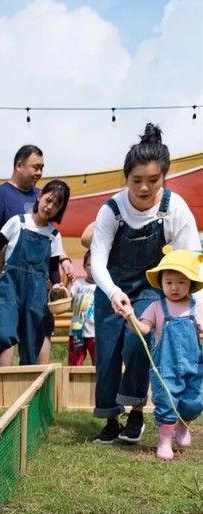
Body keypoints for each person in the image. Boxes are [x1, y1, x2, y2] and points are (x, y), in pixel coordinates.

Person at [90, 123, 201, 445]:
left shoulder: (174, 208)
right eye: (136, 181)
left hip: (152, 287)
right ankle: (110, 419)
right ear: (126, 178)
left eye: (153, 181)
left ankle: (136, 410)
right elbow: (97, 259)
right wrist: (112, 292)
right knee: (108, 353)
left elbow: (191, 259)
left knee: (138, 341)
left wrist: (196, 311)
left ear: (164, 177)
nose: (143, 188)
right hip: (111, 285)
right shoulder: (111, 209)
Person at [0, 145, 74, 366]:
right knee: (4, 333)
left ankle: (34, 394)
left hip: (37, 289)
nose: (39, 172)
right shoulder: (3, 200)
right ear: (19, 165)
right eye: (35, 167)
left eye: (42, 167)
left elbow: (52, 253)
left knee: (35, 340)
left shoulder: (51, 225)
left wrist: (61, 270)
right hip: (10, 282)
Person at [127, 246, 203, 460]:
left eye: (181, 282)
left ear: (191, 284)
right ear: (161, 283)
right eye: (169, 282)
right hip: (165, 368)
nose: (175, 288)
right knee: (167, 403)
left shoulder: (196, 307)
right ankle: (164, 441)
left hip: (194, 365)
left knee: (195, 402)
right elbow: (143, 328)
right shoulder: (156, 307)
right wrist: (130, 317)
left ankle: (183, 425)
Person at [68, 250, 96, 366]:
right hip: (77, 331)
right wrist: (69, 281)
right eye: (89, 264)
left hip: (96, 331)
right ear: (84, 266)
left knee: (99, 362)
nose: (91, 268)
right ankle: (73, 383)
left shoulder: (103, 286)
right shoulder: (78, 284)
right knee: (75, 363)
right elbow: (67, 296)